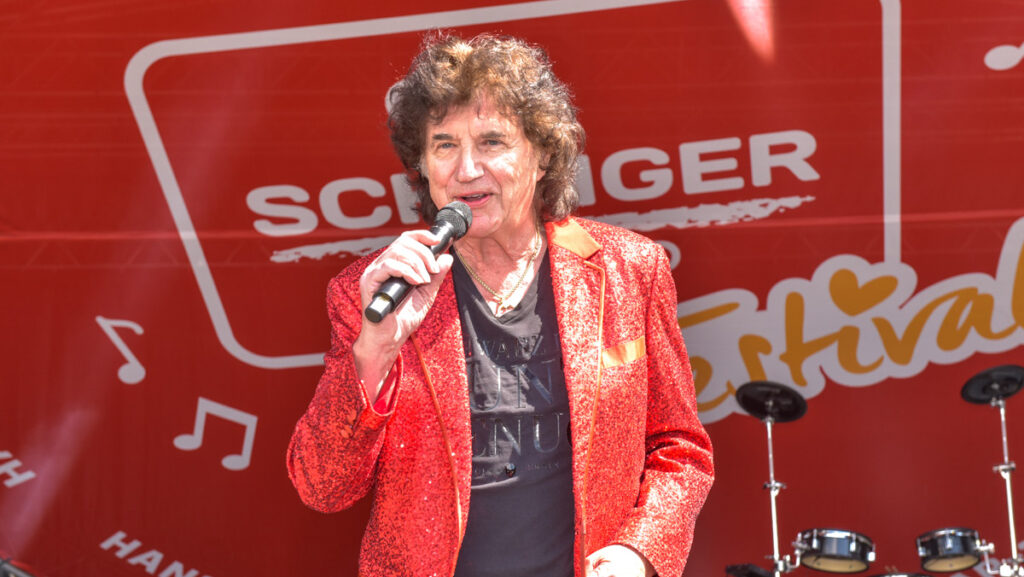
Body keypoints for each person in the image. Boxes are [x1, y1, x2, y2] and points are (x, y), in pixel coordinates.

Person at [287, 32, 714, 577]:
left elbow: (680, 448)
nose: (466, 169)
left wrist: (639, 551)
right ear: (422, 164)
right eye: (444, 145)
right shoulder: (370, 290)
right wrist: (374, 352)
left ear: (543, 155)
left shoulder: (630, 268)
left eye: (492, 142)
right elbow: (322, 486)